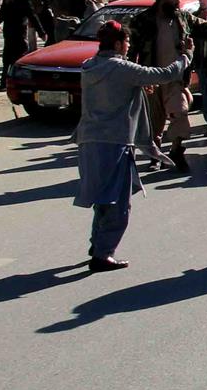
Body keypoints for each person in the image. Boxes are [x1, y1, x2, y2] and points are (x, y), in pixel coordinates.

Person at [73, 20, 191, 271]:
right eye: (126, 42)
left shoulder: (89, 66)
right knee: (118, 202)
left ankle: (98, 245)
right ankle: (103, 254)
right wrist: (185, 57)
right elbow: (164, 75)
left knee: (103, 199)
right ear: (118, 44)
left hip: (88, 141)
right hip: (114, 142)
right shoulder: (121, 68)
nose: (128, 47)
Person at [128, 0, 199, 174]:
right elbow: (132, 52)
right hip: (150, 79)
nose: (178, 1)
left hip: (175, 80)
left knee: (181, 113)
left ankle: (177, 150)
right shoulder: (142, 21)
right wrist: (131, 77)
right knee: (154, 121)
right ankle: (155, 155)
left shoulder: (182, 19)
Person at [0, 0, 49, 88]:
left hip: (19, 34)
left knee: (19, 60)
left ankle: (22, 83)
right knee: (6, 60)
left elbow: (32, 16)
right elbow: (2, 15)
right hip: (8, 33)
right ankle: (3, 83)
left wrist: (41, 32)